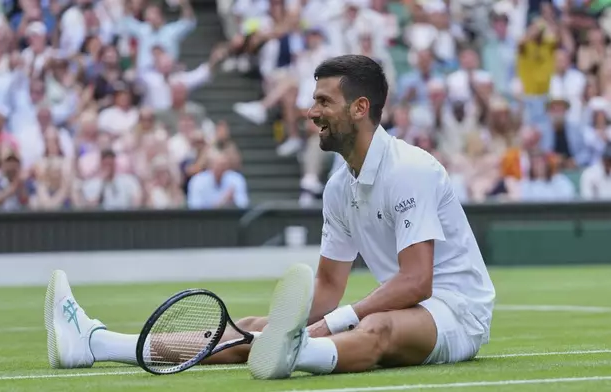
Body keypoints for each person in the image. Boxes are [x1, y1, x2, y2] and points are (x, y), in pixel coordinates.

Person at [44, 55, 496, 379]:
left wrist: (333, 323)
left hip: (456, 312)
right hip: (408, 305)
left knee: (375, 327)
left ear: (360, 108)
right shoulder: (339, 187)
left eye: (323, 101)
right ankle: (97, 342)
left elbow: (418, 282)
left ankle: (296, 353)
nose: (310, 111)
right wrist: (286, 325)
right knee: (256, 328)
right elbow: (327, 288)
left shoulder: (411, 169)